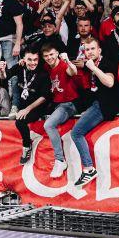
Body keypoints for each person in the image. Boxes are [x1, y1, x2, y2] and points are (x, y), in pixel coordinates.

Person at [70, 37, 119, 187]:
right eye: (87, 50)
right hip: (97, 104)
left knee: (76, 133)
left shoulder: (105, 63)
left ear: (99, 50)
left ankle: (89, 168)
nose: (90, 52)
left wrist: (93, 68)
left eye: (93, 49)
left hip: (105, 106)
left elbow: (110, 83)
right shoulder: (92, 64)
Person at [0, 49, 50, 164]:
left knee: (19, 121)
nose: (33, 63)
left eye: (35, 59)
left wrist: (27, 110)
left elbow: (44, 97)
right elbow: (5, 77)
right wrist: (1, 70)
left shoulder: (43, 73)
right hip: (23, 104)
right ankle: (15, 107)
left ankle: (26, 146)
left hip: (38, 106)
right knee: (14, 82)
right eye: (29, 59)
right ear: (24, 59)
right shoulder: (20, 67)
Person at [41, 44, 80, 178]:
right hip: (57, 104)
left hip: (68, 104)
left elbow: (73, 71)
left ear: (57, 53)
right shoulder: (47, 66)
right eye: (46, 56)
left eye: (51, 54)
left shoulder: (63, 65)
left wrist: (67, 60)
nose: (49, 58)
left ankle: (59, 160)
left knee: (48, 125)